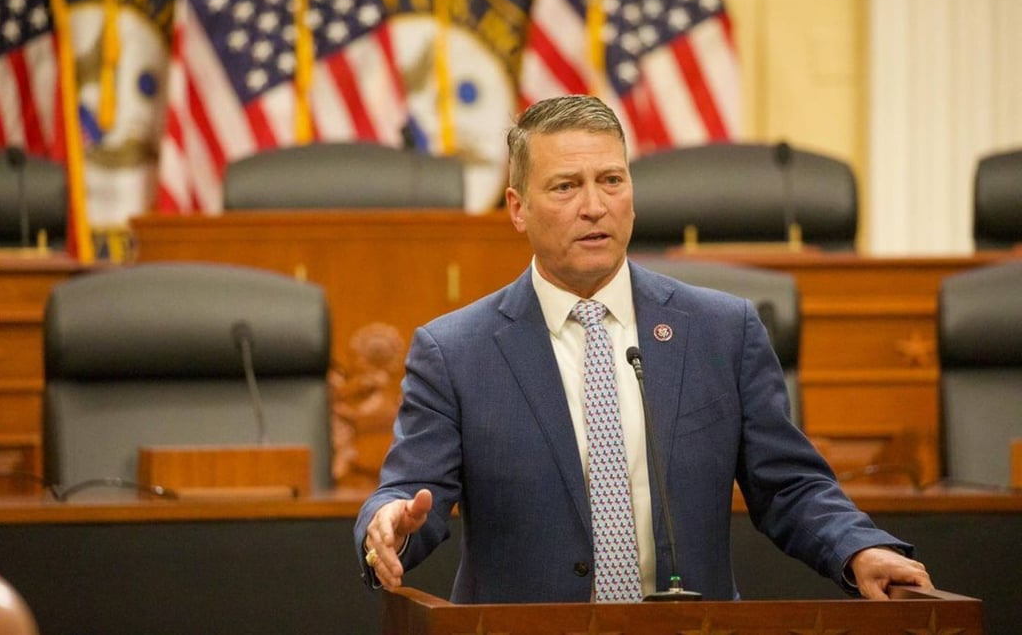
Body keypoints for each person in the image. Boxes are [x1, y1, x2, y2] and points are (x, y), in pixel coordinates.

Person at [354, 94, 932, 603]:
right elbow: (410, 493)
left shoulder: (721, 331)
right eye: (565, 186)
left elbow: (790, 485)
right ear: (517, 208)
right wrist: (390, 526)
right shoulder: (456, 351)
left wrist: (858, 550)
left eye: (611, 180)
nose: (594, 206)